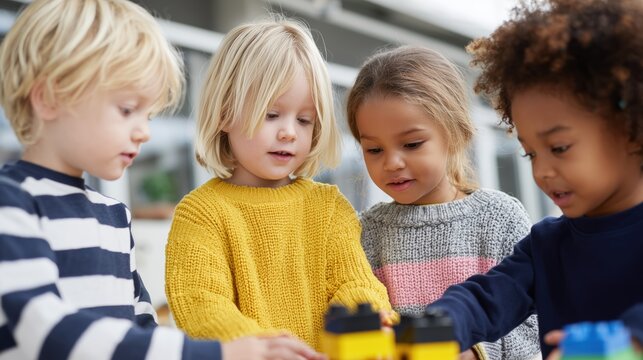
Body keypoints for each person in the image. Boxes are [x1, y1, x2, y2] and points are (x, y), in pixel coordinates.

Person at [0, 1, 324, 359]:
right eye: (127, 110)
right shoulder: (10, 202)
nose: (144, 133)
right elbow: (45, 331)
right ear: (48, 99)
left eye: (149, 115)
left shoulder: (113, 215)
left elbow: (141, 326)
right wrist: (221, 353)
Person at [424, 0, 643, 359]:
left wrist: (628, 342)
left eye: (559, 147)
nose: (541, 171)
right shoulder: (547, 245)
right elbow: (487, 297)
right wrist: (436, 326)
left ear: (632, 130)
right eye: (531, 153)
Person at [164, 17, 392, 351]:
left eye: (304, 120)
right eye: (272, 115)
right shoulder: (201, 213)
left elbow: (354, 282)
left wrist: (371, 324)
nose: (289, 132)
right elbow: (200, 303)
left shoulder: (327, 206)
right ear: (225, 113)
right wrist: (261, 348)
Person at [345, 45, 541, 360]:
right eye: (374, 150)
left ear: (456, 133)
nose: (392, 162)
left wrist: (473, 353)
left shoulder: (499, 217)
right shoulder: (363, 232)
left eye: (411, 144)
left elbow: (533, 331)